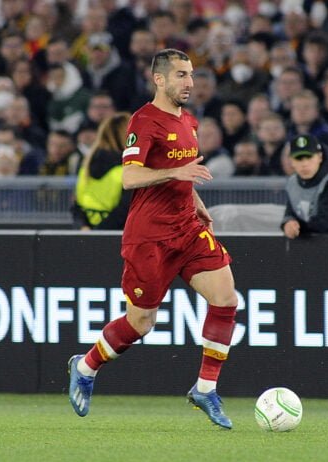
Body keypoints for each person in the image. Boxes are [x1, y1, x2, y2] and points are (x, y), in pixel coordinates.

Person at [68, 49, 238, 430]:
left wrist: (197, 204)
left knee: (226, 298)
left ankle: (205, 389)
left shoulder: (190, 121)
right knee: (141, 322)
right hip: (149, 237)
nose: (190, 82)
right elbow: (131, 177)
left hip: (187, 230)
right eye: (181, 75)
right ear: (159, 79)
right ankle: (86, 366)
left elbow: (182, 174)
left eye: (191, 74)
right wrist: (178, 172)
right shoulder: (143, 121)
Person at [72, 112, 132, 230]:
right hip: (117, 235)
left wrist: (85, 229)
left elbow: (76, 205)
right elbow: (125, 210)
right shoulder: (130, 168)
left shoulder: (86, 164)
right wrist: (99, 233)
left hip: (87, 232)